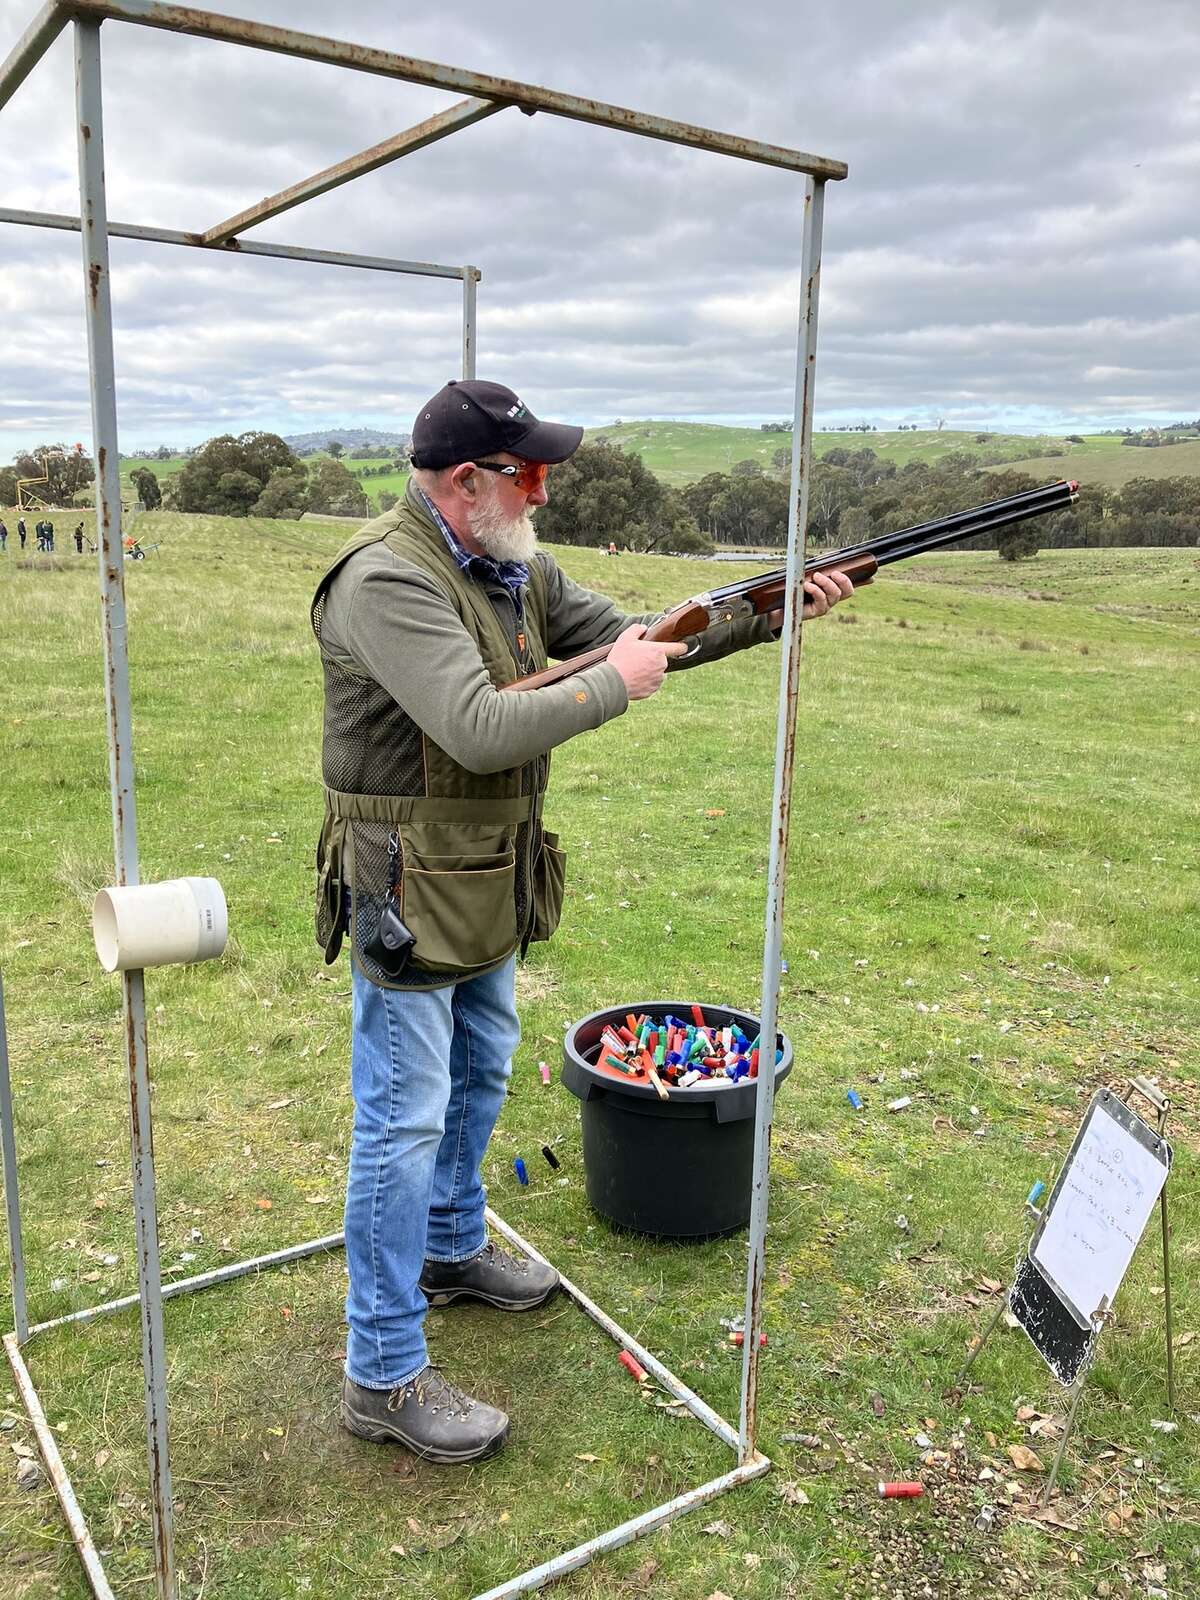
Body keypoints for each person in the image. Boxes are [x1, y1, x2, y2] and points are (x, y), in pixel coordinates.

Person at [311, 379, 852, 1465]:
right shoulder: (385, 577)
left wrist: (769, 609)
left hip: (491, 876)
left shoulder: (511, 567)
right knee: (402, 1121)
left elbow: (650, 637)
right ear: (467, 483)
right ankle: (380, 1370)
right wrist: (618, 684)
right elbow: (474, 726)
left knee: (480, 1076)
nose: (544, 494)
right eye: (530, 475)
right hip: (409, 890)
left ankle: (454, 1247)